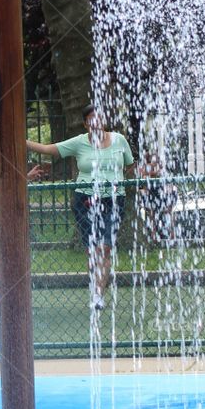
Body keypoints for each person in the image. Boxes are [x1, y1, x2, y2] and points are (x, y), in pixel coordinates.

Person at [26, 104, 136, 310]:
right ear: (86, 123)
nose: (96, 123)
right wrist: (23, 142)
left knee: (105, 247)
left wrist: (117, 181)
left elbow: (130, 164)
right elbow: (50, 149)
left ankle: (98, 293)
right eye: (91, 119)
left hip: (113, 200)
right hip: (85, 200)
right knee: (93, 250)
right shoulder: (79, 142)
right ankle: (96, 293)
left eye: (99, 118)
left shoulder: (119, 140)